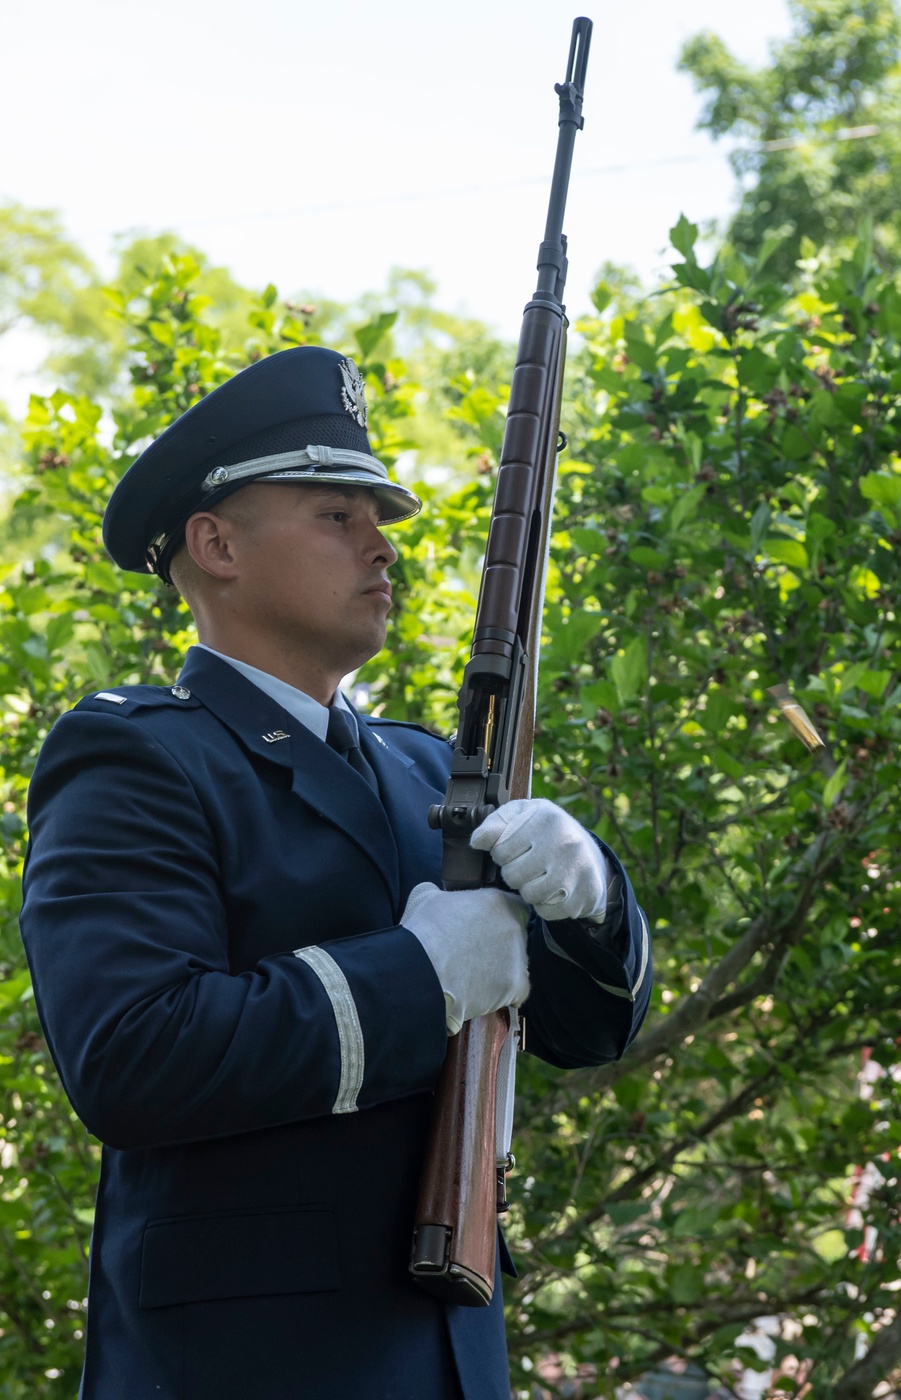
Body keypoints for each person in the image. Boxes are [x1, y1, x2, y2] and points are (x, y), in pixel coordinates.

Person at [20, 345, 652, 1400]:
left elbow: (589, 1032)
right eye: (335, 515)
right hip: (245, 1366)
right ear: (216, 543)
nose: (380, 548)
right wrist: (423, 975)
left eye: (380, 520)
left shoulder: (422, 771)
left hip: (448, 1357)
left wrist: (593, 905)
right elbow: (132, 1053)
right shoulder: (138, 754)